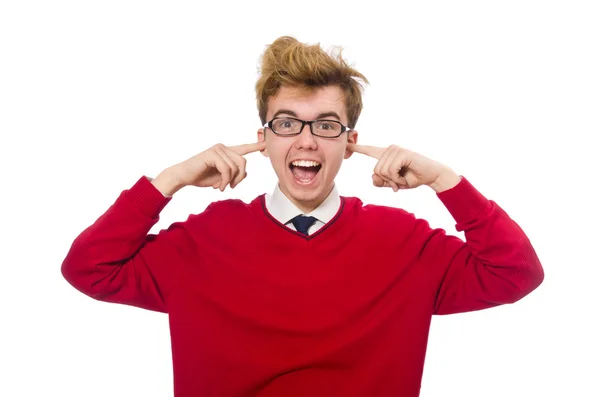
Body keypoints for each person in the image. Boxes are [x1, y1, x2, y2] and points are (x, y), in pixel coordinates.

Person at [61, 36, 544, 397]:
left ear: (349, 143)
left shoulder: (405, 243)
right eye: (287, 124)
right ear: (264, 138)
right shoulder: (201, 240)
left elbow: (515, 274)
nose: (307, 141)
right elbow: (88, 268)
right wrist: (170, 179)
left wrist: (446, 181)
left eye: (326, 126)